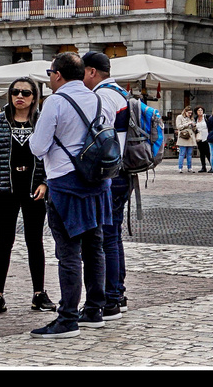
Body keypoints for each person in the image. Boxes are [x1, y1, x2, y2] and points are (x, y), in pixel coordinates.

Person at [28, 51, 115, 339]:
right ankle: (94, 309)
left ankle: (67, 318)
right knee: (95, 247)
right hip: (97, 182)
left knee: (68, 252)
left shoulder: (56, 101)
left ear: (58, 74)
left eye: (50, 73)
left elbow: (38, 147)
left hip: (65, 183)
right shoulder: (100, 99)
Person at [0, 77, 53, 318]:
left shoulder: (42, 122)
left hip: (34, 189)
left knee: (35, 242)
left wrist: (45, 182)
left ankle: (38, 294)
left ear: (34, 97)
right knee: (4, 242)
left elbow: (49, 155)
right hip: (5, 189)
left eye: (25, 92)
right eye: (15, 92)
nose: (19, 96)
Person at [78, 52, 134, 319]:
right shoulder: (120, 92)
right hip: (122, 173)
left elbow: (97, 136)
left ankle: (111, 298)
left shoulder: (102, 97)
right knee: (113, 237)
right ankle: (117, 294)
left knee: (106, 239)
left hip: (111, 174)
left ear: (91, 72)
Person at [175, 106, 200, 173]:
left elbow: (194, 130)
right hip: (183, 137)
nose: (190, 114)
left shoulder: (191, 118)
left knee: (189, 154)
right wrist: (187, 124)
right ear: (185, 112)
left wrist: (194, 126)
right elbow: (179, 127)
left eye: (191, 113)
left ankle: (189, 167)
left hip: (190, 138)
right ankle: (180, 167)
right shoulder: (179, 117)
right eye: (189, 113)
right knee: (182, 154)